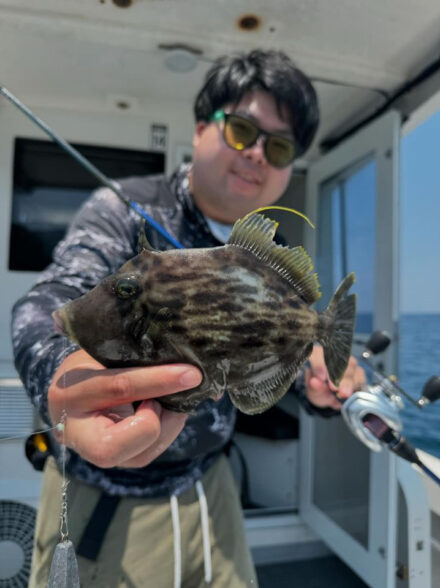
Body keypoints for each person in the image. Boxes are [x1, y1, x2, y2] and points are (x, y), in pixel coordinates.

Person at [11, 49, 365, 587]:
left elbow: (259, 352)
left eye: (280, 146)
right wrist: (63, 373)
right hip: (104, 497)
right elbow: (50, 299)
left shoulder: (269, 248)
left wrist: (315, 376)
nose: (257, 155)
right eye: (242, 130)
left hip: (212, 487)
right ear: (202, 128)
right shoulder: (123, 208)